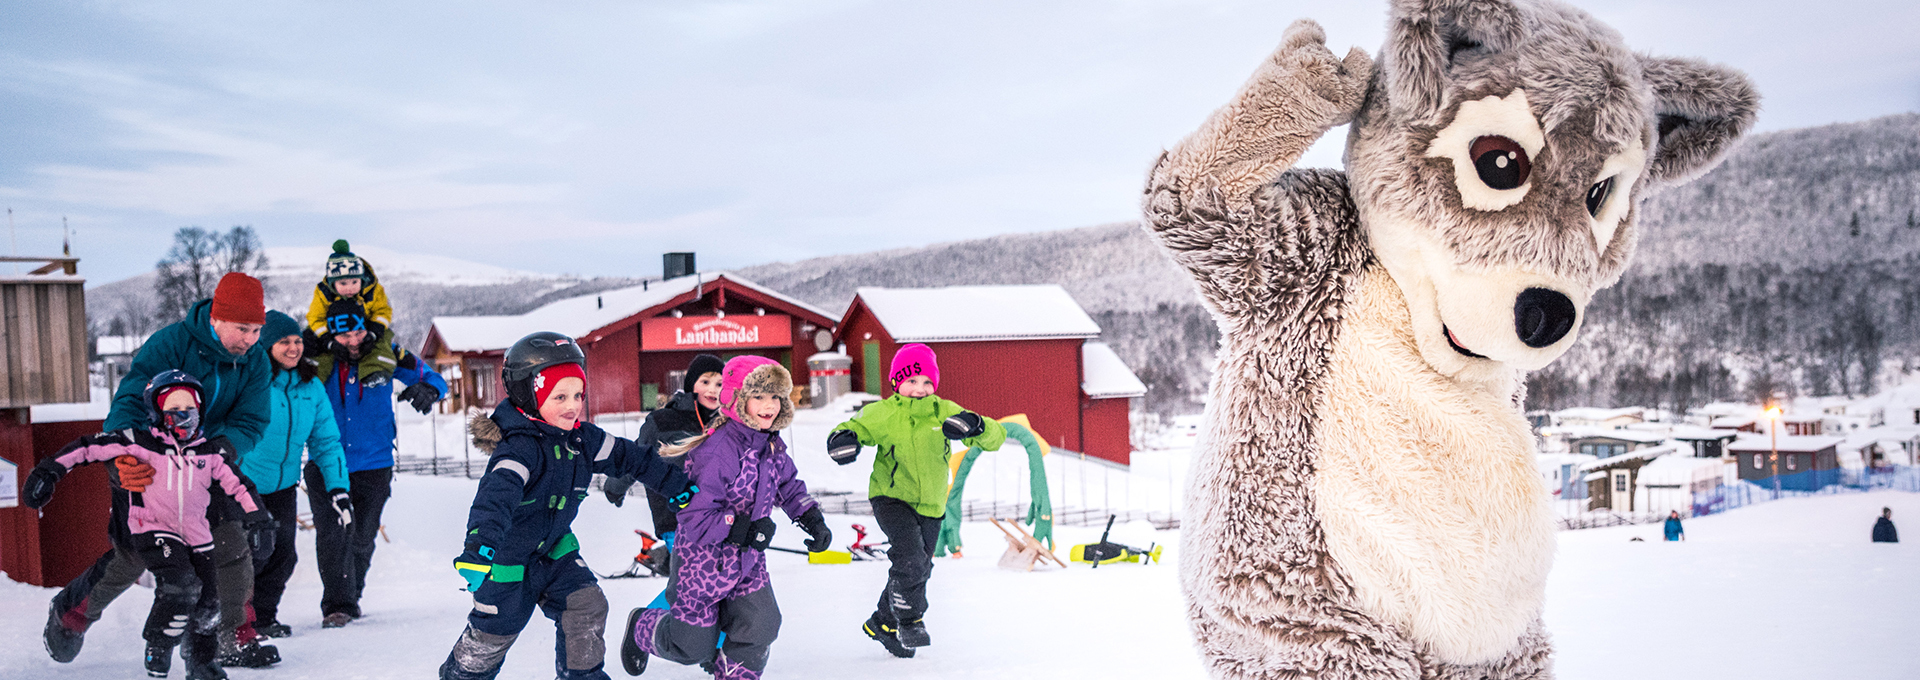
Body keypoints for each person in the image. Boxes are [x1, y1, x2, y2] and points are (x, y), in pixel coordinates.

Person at [41, 272, 276, 666]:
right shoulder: (171, 344)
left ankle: (230, 636)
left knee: (230, 547)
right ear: (216, 318)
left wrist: (223, 449)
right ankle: (71, 614)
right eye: (242, 329)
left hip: (206, 462)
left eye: (256, 330)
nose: (251, 339)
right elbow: (131, 399)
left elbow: (252, 420)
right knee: (134, 556)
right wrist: (123, 456)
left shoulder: (254, 361)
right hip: (149, 462)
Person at [439, 331, 698, 680]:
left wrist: (676, 487)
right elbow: (494, 502)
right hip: (504, 559)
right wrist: (479, 550)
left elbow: (633, 458)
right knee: (494, 633)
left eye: (578, 395)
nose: (572, 405)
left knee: (586, 605)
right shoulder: (518, 451)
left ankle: (583, 675)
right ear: (529, 397)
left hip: (554, 551)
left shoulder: (582, 439)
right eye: (559, 396)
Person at [25, 371, 270, 680]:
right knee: (143, 565)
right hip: (150, 496)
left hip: (201, 492)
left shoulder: (251, 364)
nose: (184, 417)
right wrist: (56, 470)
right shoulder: (164, 356)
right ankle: (84, 618)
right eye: (175, 410)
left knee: (220, 571)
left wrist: (258, 516)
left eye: (190, 409)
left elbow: (251, 428)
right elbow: (111, 422)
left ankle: (208, 652)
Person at [622, 355, 832, 679]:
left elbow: (788, 485)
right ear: (737, 400)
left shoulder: (770, 445)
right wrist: (741, 529)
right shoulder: (719, 450)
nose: (769, 405)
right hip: (702, 564)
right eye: (758, 396)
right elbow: (696, 514)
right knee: (691, 646)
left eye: (775, 396)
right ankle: (642, 626)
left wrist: (811, 518)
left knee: (761, 624)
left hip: (747, 561)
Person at [826, 343, 1005, 658]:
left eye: (926, 382)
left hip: (932, 505)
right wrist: (844, 439)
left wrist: (976, 424)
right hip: (892, 498)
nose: (920, 389)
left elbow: (995, 437)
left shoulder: (943, 411)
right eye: (911, 381)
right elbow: (852, 427)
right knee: (910, 559)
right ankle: (910, 621)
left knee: (919, 566)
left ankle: (882, 622)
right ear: (897, 382)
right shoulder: (885, 413)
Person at [304, 298, 448, 628]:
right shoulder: (315, 359)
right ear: (331, 334)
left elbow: (431, 376)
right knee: (332, 535)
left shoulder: (387, 354)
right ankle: (337, 606)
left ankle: (352, 594)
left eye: (357, 333)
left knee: (362, 536)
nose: (353, 341)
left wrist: (429, 390)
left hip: (375, 462)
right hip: (325, 462)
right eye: (344, 336)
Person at [243, 311, 354, 640]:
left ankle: (263, 618)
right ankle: (236, 622)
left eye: (297, 341)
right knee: (250, 555)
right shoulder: (252, 382)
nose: (293, 348)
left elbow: (326, 441)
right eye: (284, 342)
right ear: (266, 346)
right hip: (244, 484)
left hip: (283, 486)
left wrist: (338, 488)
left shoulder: (311, 386)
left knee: (283, 555)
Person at [602, 353, 727, 573]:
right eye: (705, 382)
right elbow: (638, 458)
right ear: (691, 385)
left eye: (719, 384)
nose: (713, 390)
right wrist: (615, 487)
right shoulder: (663, 421)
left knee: (707, 582)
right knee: (696, 578)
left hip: (715, 520)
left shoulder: (726, 424)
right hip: (674, 519)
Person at [304, 239, 399, 381]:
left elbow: (383, 311)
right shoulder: (323, 293)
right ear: (332, 283)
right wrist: (326, 339)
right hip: (333, 330)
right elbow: (315, 317)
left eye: (355, 282)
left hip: (366, 328)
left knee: (381, 342)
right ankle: (313, 378)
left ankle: (375, 371)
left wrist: (374, 331)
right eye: (343, 283)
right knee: (316, 348)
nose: (350, 288)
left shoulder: (372, 290)